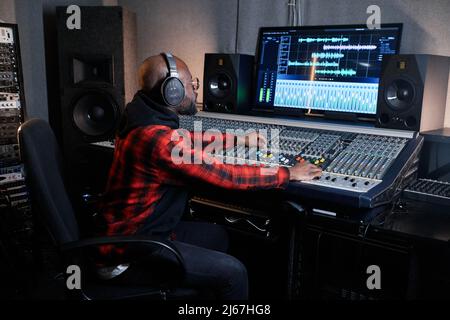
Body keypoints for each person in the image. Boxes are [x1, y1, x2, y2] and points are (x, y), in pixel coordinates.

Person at [97, 53, 322, 300]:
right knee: (234, 273)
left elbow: (187, 141)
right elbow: (228, 176)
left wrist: (239, 138)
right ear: (172, 92)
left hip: (138, 234)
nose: (195, 90)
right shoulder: (158, 141)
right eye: (192, 85)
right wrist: (287, 173)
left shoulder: (140, 119)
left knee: (219, 235)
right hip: (130, 255)